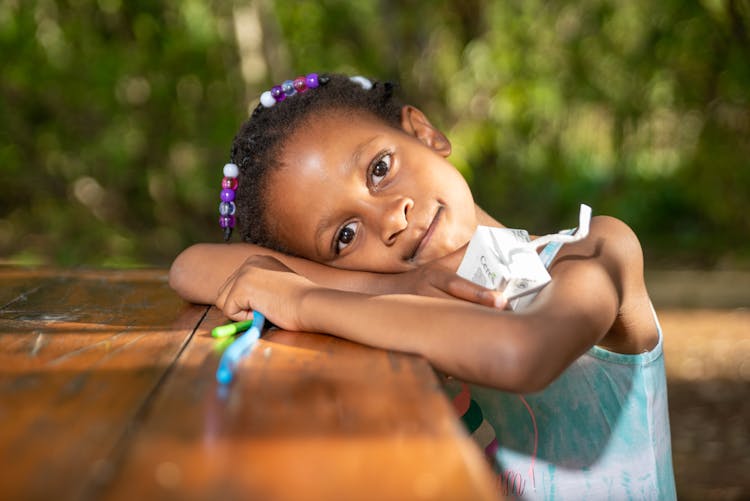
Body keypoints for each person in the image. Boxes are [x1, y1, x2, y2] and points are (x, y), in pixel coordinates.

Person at [169, 73, 676, 499]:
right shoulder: (395, 293)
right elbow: (192, 266)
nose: (390, 218)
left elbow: (520, 353)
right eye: (344, 235)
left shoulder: (593, 250)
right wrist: (400, 283)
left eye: (380, 169)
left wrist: (303, 299)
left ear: (425, 132)